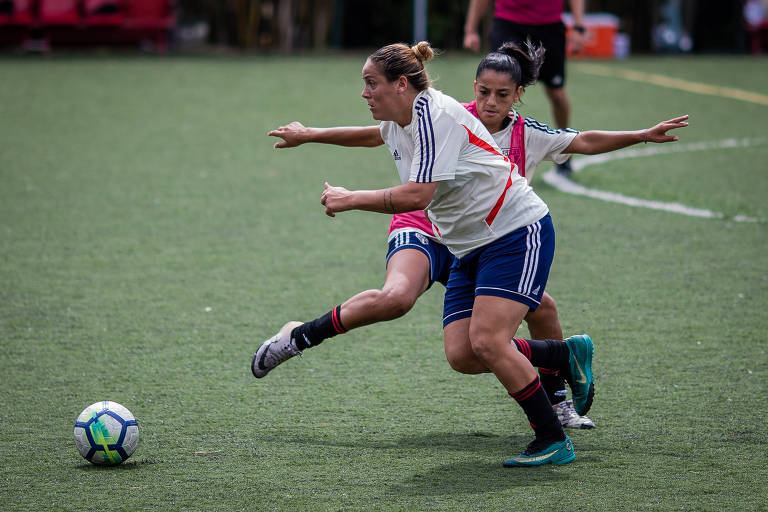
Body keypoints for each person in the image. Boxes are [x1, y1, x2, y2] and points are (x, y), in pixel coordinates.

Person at [259, 41, 688, 431]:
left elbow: (584, 140)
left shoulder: (521, 132)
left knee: (535, 310)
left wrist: (638, 135)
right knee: (396, 298)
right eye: (483, 91)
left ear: (518, 95)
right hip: (428, 225)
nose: (489, 102)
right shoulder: (443, 113)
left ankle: (558, 397)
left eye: (502, 94)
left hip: (485, 235)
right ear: (474, 88)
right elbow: (384, 136)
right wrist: (312, 135)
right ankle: (299, 337)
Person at [463, 0, 585, 175]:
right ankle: (487, 150)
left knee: (557, 94)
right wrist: (470, 29)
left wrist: (579, 26)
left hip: (549, 26)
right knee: (494, 87)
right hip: (508, 24)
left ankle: (564, 150)